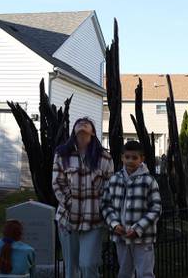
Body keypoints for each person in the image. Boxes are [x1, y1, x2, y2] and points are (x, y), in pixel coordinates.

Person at [52, 118, 113, 278]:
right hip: (67, 219)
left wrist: (100, 207)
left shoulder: (104, 157)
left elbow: (109, 187)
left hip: (93, 220)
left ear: (93, 132)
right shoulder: (62, 155)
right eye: (79, 123)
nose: (82, 124)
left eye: (87, 123)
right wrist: (71, 203)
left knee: (88, 265)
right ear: (74, 131)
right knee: (71, 269)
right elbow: (57, 183)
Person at [101, 140, 162, 278]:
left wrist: (138, 229)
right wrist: (114, 224)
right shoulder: (114, 179)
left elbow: (156, 208)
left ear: (142, 159)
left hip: (143, 237)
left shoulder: (149, 181)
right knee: (124, 272)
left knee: (145, 273)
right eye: (127, 157)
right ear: (122, 157)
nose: (130, 161)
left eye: (134, 158)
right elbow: (105, 204)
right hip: (121, 236)